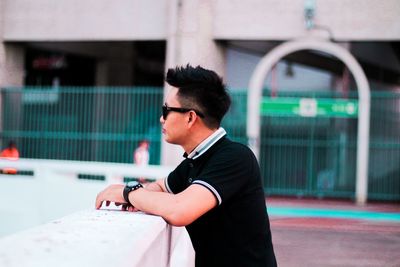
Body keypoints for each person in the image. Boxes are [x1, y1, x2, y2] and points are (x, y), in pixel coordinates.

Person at [95, 64, 277, 267]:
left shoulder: (235, 157)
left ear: (190, 117)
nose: (161, 118)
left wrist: (128, 193)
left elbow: (180, 210)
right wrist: (141, 196)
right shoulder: (194, 161)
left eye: (167, 110)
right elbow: (161, 187)